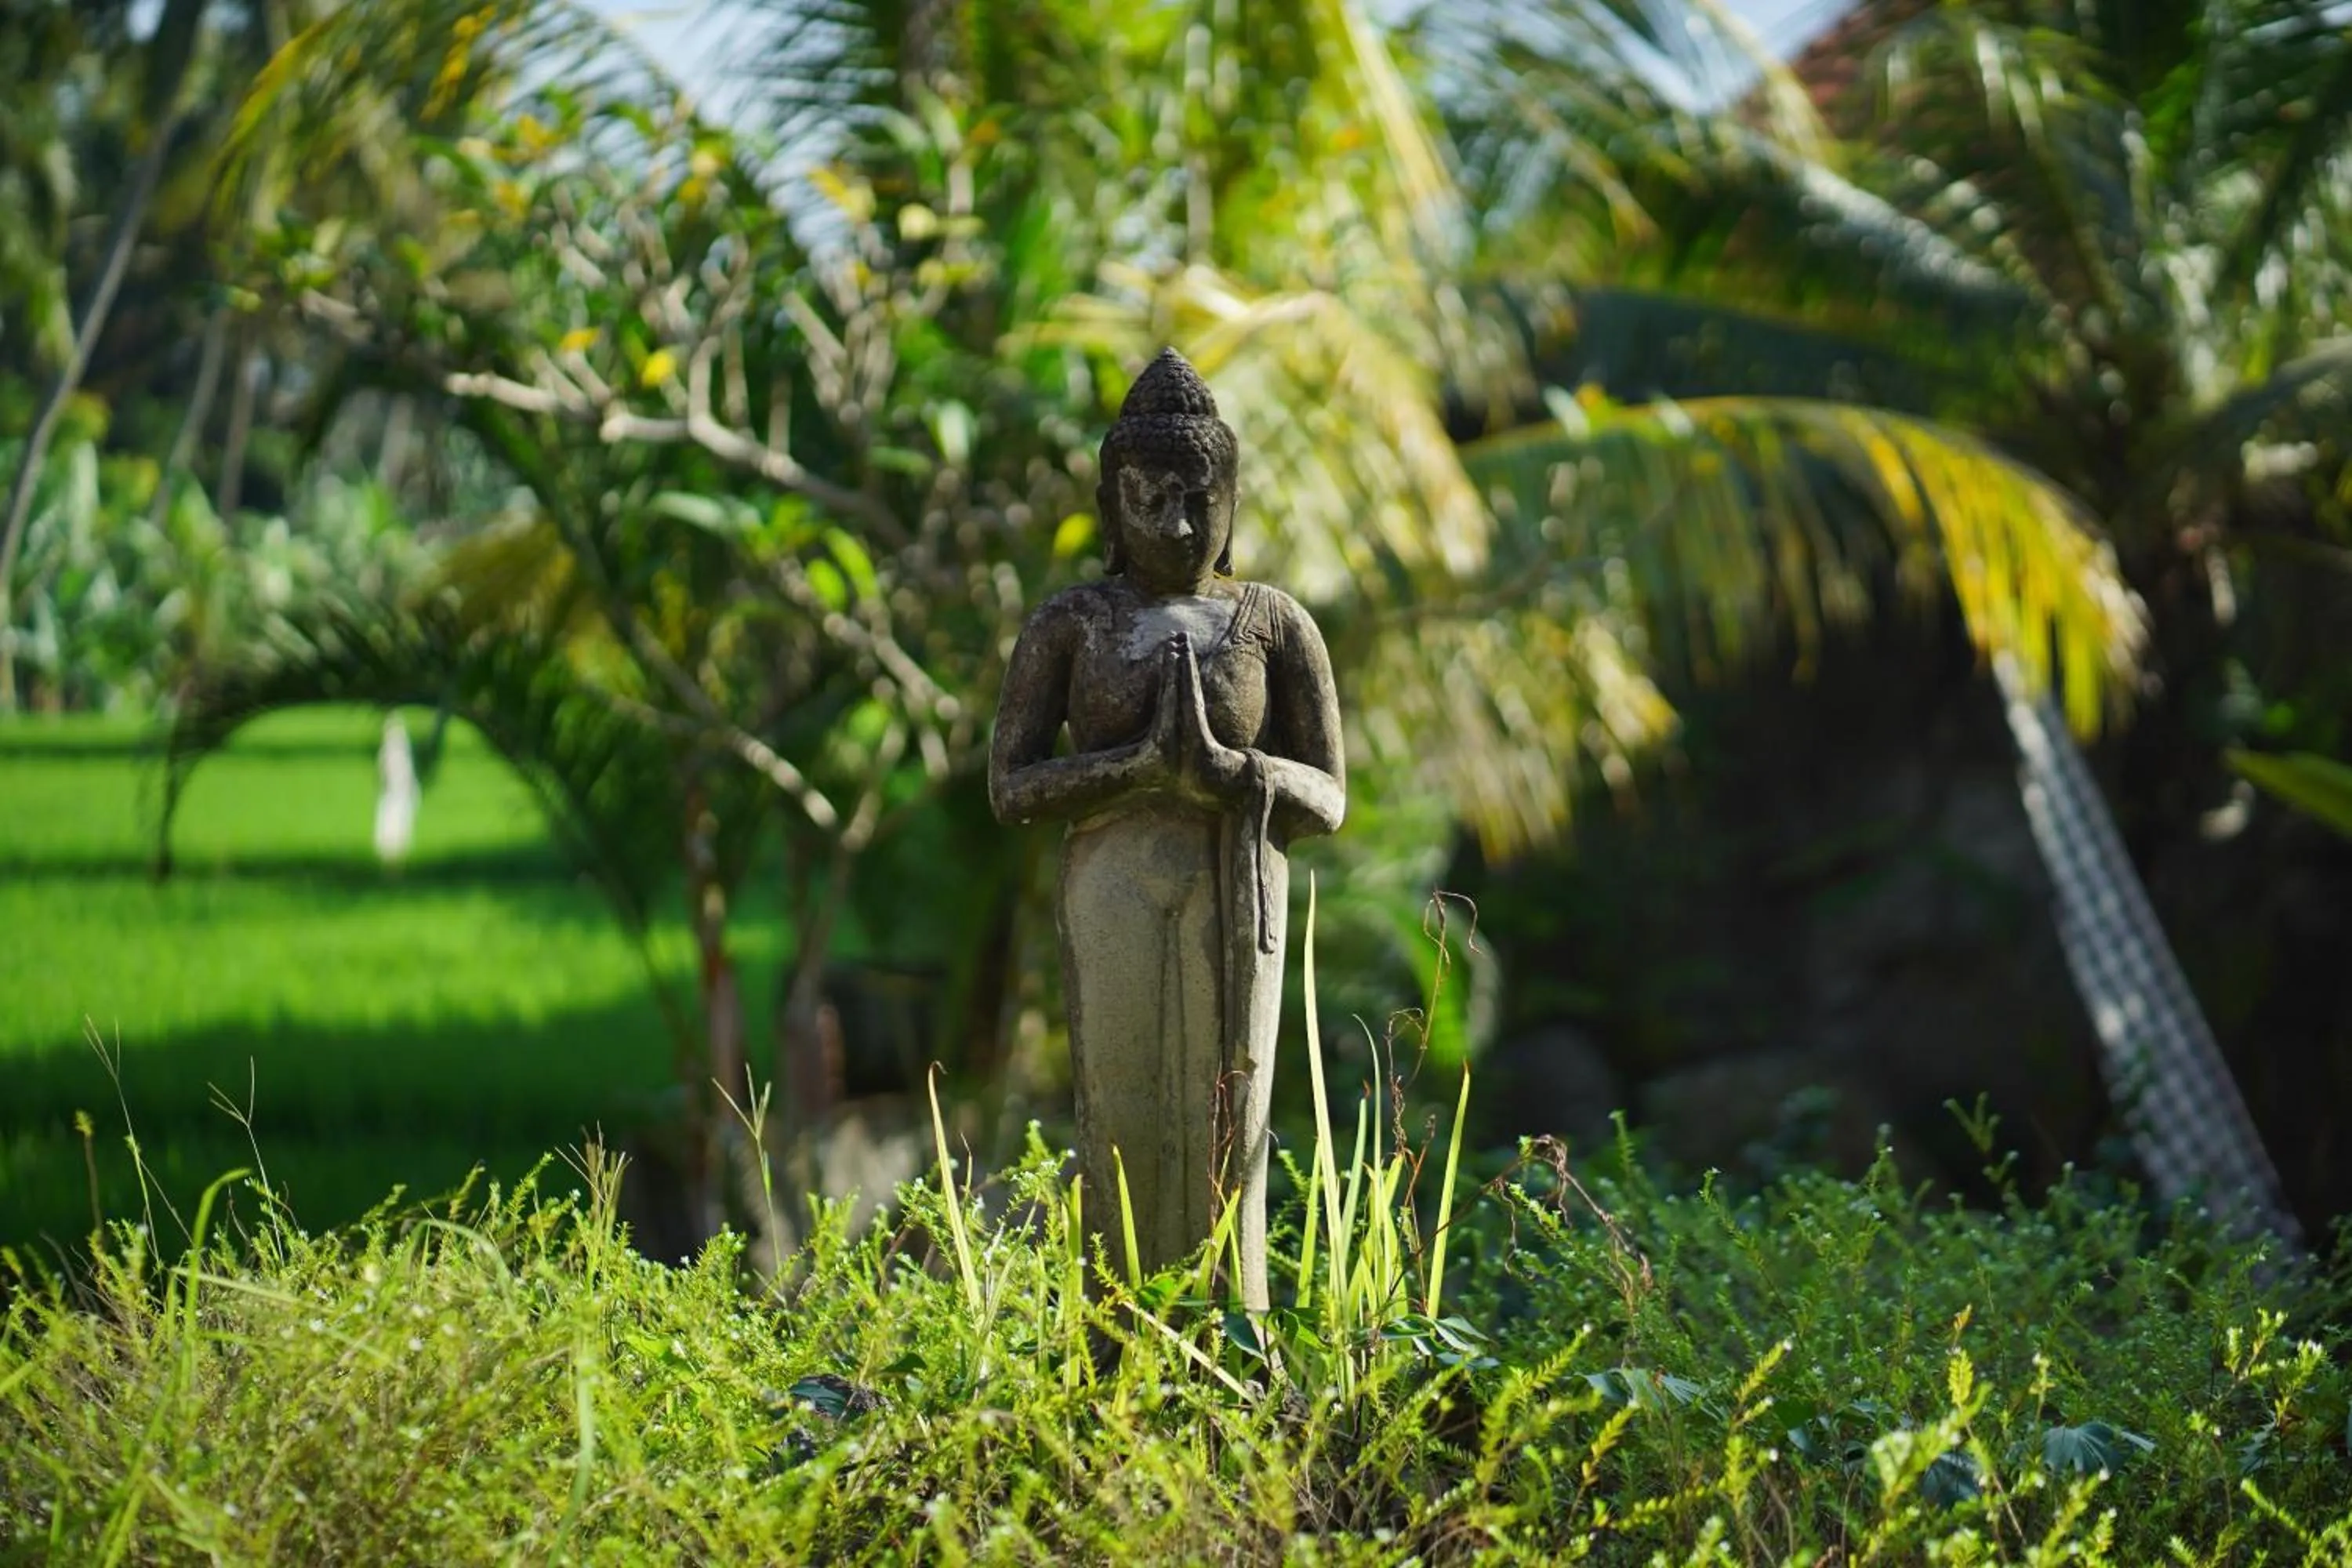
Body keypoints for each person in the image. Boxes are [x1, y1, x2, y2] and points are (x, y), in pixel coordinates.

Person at [989, 349, 1345, 1309]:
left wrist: (1234, 774)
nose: (1178, 525)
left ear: (1233, 502)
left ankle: (1233, 1336)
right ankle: (1118, 1339)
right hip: (1112, 877)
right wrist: (1135, 770)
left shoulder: (1273, 622)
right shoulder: (1073, 621)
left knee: (1232, 1104)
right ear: (1111, 507)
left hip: (1237, 877)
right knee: (1121, 1108)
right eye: (1149, 500)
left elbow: (1329, 794)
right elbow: (1011, 785)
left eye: (1199, 500)